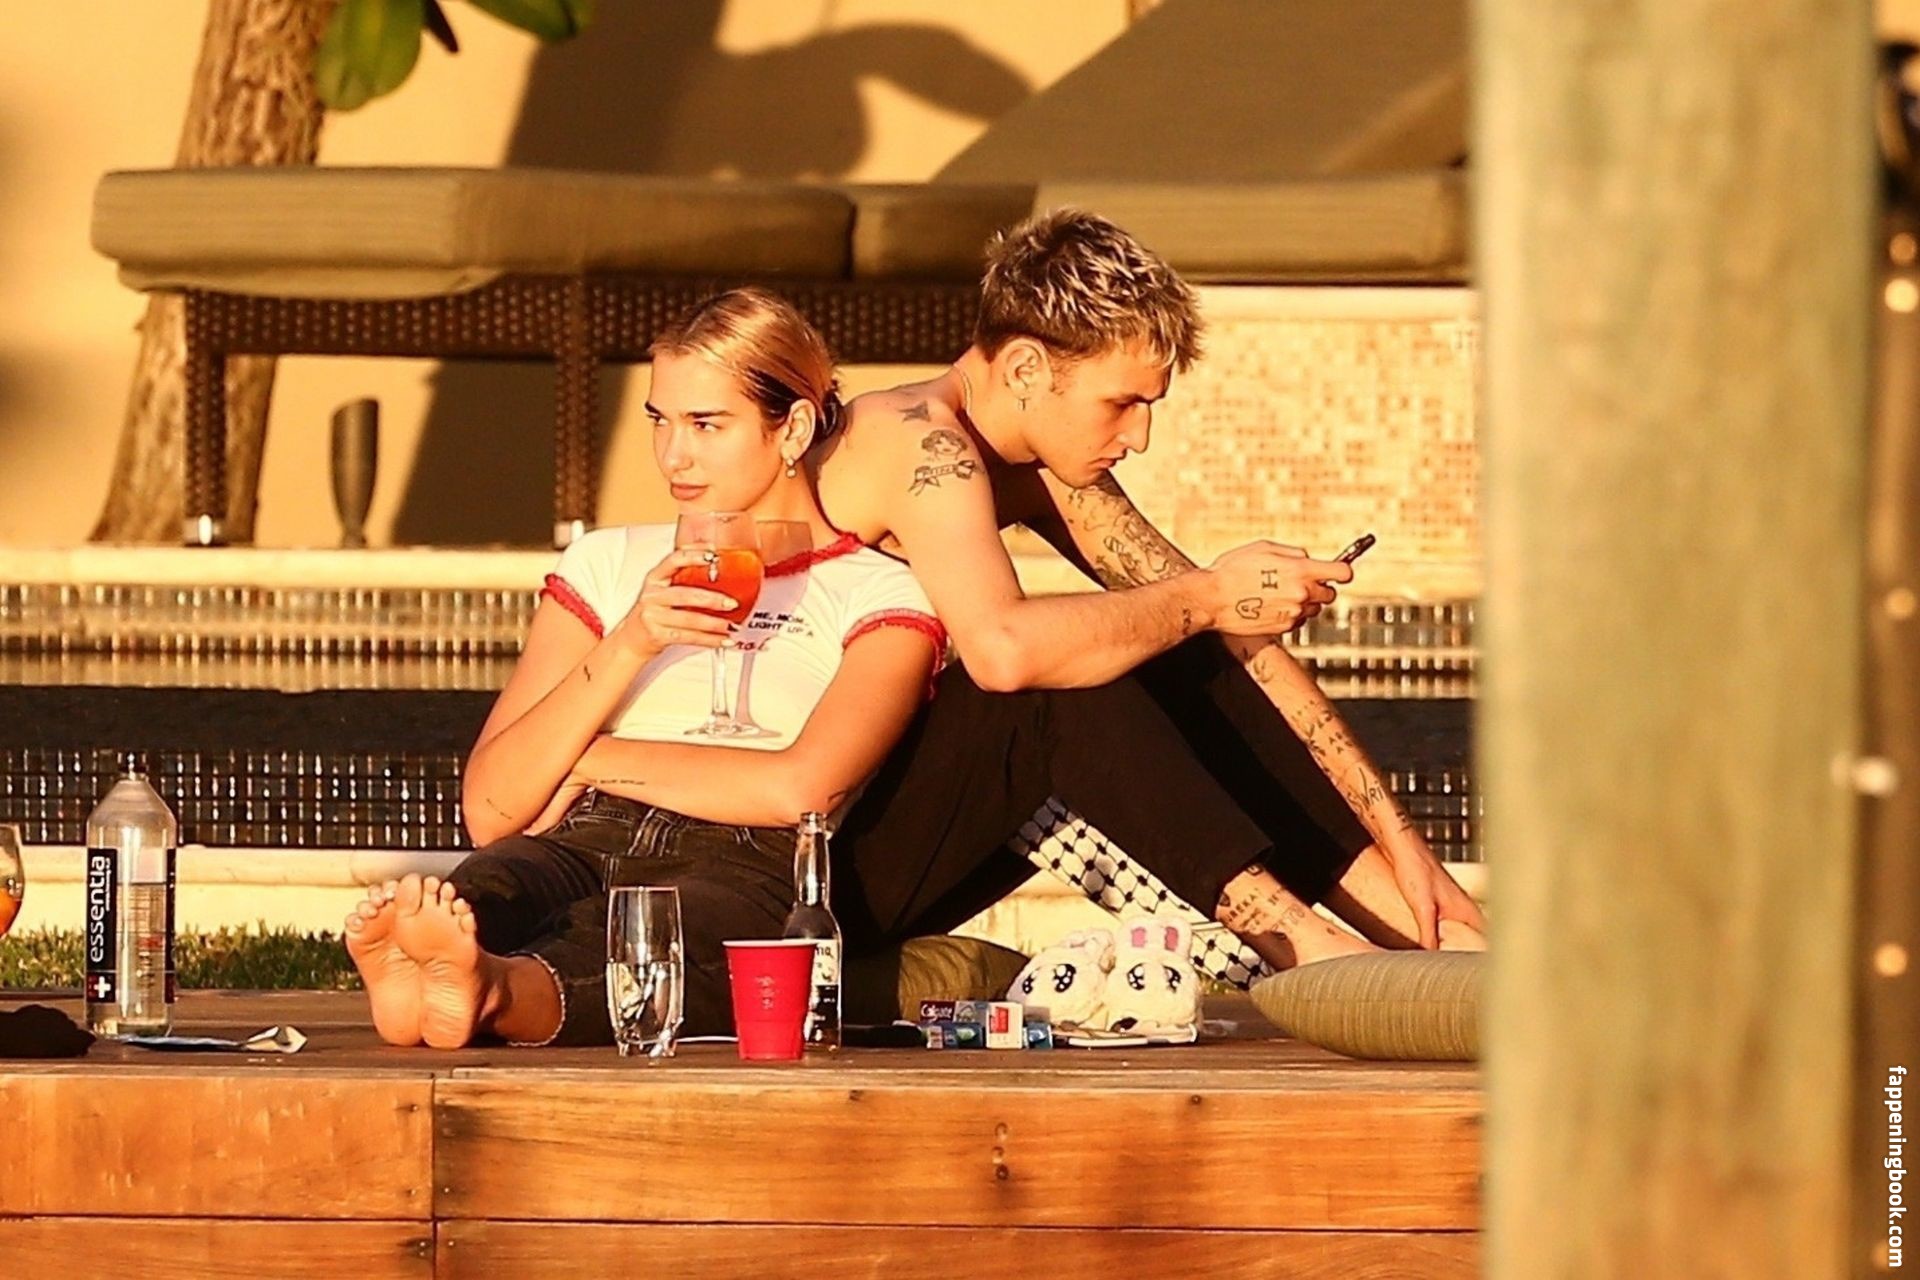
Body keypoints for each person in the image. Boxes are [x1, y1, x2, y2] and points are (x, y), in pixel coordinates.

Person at [809, 208, 1487, 957]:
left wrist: (1403, 845)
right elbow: (1003, 650)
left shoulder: (1041, 469)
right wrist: (1211, 596)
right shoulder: (913, 439)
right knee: (1061, 680)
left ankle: (1426, 935)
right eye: (1121, 403)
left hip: (897, 835)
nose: (1139, 437)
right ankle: (1315, 955)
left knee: (1175, 645)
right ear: (1026, 369)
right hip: (806, 878)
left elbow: (1233, 641)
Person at [343, 288, 948, 1048]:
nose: (672, 456)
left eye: (706, 425)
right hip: (583, 833)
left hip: (739, 852)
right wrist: (630, 639)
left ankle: (490, 991)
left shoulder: (878, 591)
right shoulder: (608, 562)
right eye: (660, 421)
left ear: (792, 428)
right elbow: (492, 808)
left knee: (662, 938)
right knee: (496, 883)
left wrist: (589, 758)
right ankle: (433, 970)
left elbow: (802, 792)